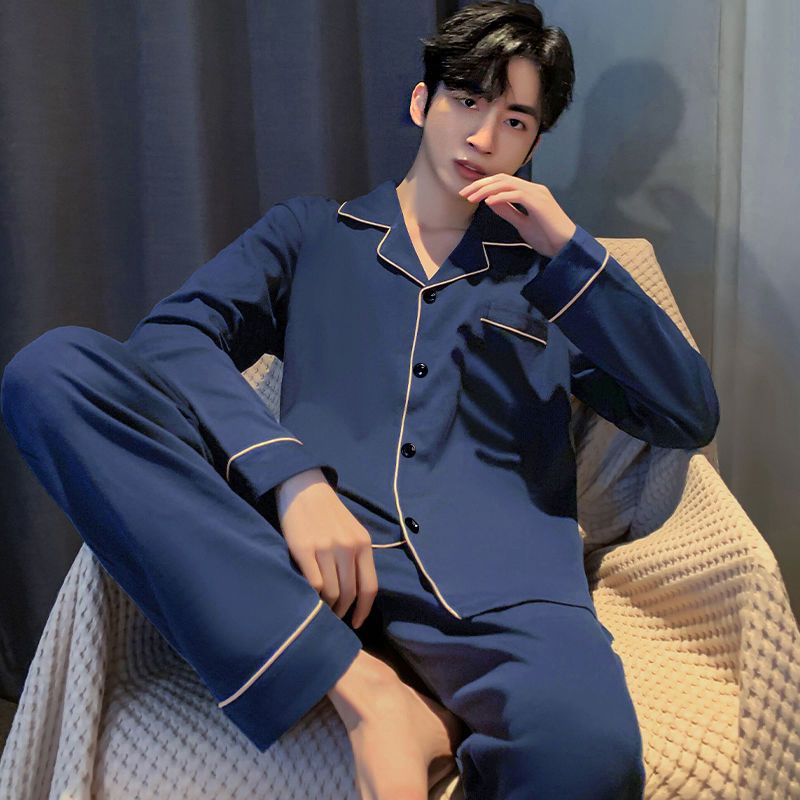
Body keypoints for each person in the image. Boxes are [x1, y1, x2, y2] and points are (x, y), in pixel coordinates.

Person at [1, 1, 719, 798]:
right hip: (314, 582)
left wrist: (570, 250)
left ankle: (437, 717)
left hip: (508, 602)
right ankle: (369, 692)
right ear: (422, 102)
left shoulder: (553, 280)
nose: (484, 137)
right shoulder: (311, 234)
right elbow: (172, 338)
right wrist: (292, 480)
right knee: (52, 371)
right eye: (467, 100)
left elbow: (686, 412)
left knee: (590, 757)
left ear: (534, 144)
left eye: (515, 120)